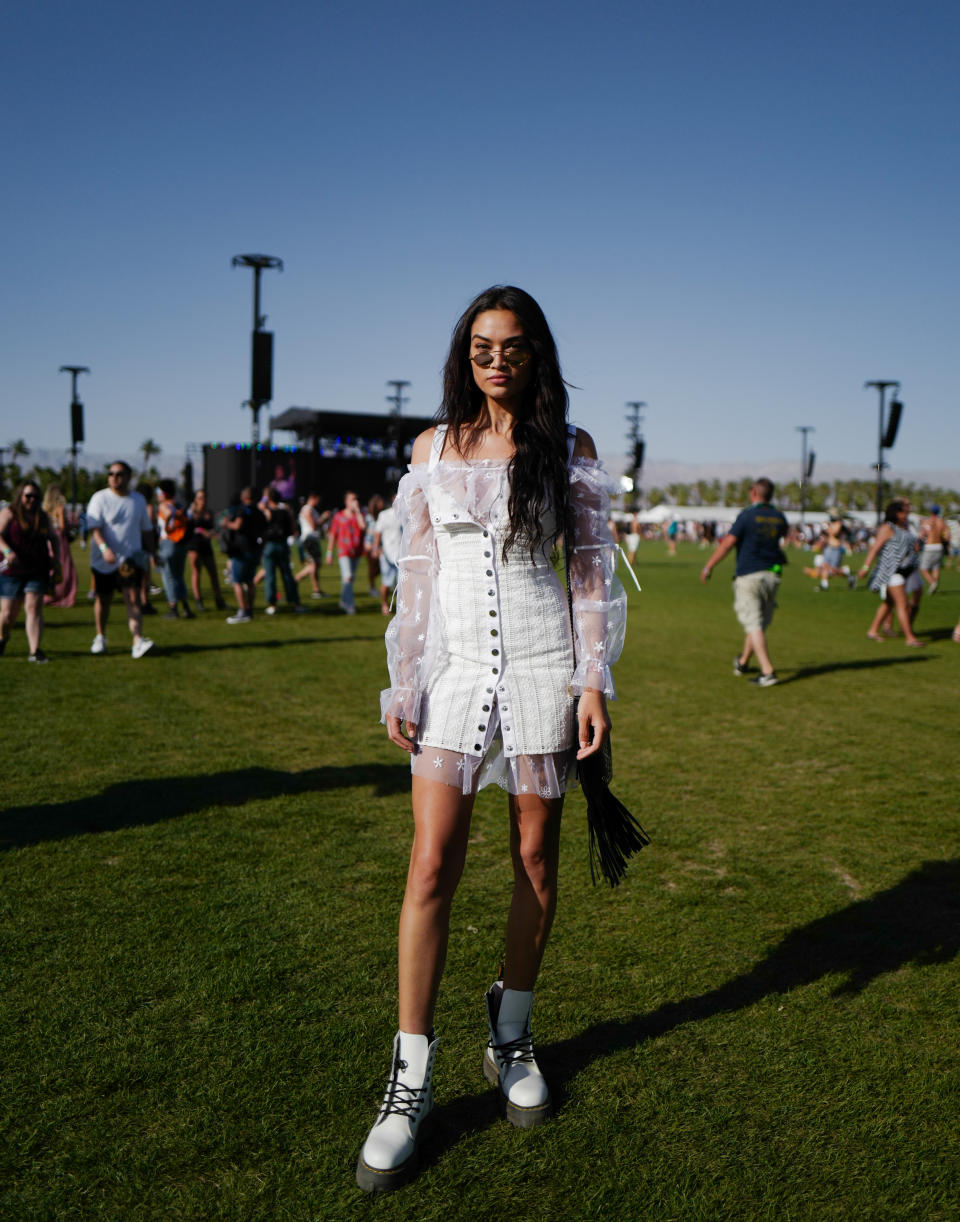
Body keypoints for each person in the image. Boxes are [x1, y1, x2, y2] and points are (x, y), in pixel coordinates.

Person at [356, 286, 624, 1193]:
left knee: (537, 859)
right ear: (464, 356)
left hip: (548, 663)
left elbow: (588, 572)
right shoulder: (430, 451)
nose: (495, 360)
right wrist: (404, 676)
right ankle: (410, 1079)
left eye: (511, 346)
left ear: (535, 353)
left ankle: (510, 1032)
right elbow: (417, 577)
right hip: (455, 668)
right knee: (431, 864)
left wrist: (593, 681)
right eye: (480, 347)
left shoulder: (570, 449)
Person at [700, 478, 788, 687]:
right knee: (758, 622)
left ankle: (768, 671)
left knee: (754, 623)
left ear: (754, 493)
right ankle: (743, 661)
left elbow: (728, 543)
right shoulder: (779, 516)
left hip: (750, 574)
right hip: (773, 575)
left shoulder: (748, 515)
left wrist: (709, 566)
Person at [86, 462, 155, 658]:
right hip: (103, 560)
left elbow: (147, 530)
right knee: (103, 599)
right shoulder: (100, 498)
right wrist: (105, 549)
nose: (114, 477)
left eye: (119, 474)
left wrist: (152, 552)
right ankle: (100, 636)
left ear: (128, 477)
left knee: (133, 599)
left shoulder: (138, 500)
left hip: (129, 559)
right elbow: (95, 528)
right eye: (111, 474)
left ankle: (137, 640)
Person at [0, 479, 57, 661]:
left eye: (35, 496)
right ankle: (2, 636)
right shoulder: (9, 513)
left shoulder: (42, 517)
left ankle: (35, 651)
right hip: (12, 571)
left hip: (37, 568)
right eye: (27, 496)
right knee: (8, 614)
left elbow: (54, 538)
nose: (31, 499)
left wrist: (56, 560)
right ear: (20, 496)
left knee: (33, 608)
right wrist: (7, 551)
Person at [858, 500, 925, 647]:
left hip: (905, 569)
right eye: (904, 511)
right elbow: (875, 548)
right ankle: (909, 638)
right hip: (891, 571)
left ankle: (873, 630)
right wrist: (865, 567)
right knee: (902, 603)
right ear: (896, 513)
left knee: (889, 603)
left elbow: (912, 546)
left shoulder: (905, 527)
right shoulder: (888, 528)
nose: (907, 514)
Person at [260, 485, 306, 615]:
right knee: (287, 575)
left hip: (269, 546)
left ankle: (272, 604)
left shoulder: (267, 512)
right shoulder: (285, 511)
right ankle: (295, 602)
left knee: (270, 576)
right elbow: (293, 528)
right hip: (282, 545)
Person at [222, 486, 264, 623]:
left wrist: (227, 523)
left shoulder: (242, 510)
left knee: (237, 581)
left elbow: (238, 525)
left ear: (244, 497)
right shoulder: (259, 511)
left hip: (241, 550)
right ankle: (249, 610)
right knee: (250, 581)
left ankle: (243, 611)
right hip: (255, 549)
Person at [156, 480, 195, 620]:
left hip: (169, 542)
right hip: (181, 543)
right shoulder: (178, 505)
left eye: (158, 492)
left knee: (168, 576)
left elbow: (167, 515)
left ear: (163, 493)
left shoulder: (164, 505)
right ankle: (185, 607)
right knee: (179, 576)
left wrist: (166, 528)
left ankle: (173, 608)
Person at [326, 491, 366, 614]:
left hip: (356, 551)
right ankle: (350, 606)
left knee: (349, 578)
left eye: (356, 499)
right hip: (344, 550)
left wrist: (358, 511)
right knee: (347, 577)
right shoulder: (339, 516)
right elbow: (333, 534)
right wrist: (329, 552)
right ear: (346, 502)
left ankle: (343, 601)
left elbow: (363, 527)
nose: (354, 501)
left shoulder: (359, 515)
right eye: (352, 499)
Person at [186, 489, 226, 611]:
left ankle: (219, 600)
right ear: (195, 499)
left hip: (206, 546)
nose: (202, 500)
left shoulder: (209, 513)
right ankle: (199, 601)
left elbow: (214, 528)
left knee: (213, 574)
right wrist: (199, 530)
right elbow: (187, 527)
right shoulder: (192, 513)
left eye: (204, 497)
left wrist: (210, 532)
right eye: (200, 497)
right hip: (194, 546)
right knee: (196, 572)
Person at [42, 483, 78, 608]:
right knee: (64, 566)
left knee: (50, 567)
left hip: (47, 539)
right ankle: (63, 594)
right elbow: (63, 527)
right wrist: (72, 526)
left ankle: (48, 593)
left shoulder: (45, 508)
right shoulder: (60, 507)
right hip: (59, 539)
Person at [294, 492, 331, 598]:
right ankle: (315, 590)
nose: (319, 502)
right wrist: (324, 518)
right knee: (314, 564)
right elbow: (313, 525)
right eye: (318, 499)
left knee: (316, 564)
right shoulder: (307, 509)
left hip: (313, 539)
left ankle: (298, 579)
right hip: (309, 539)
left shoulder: (311, 510)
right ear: (313, 498)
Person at [372, 491, 401, 615]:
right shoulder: (384, 515)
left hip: (402, 555)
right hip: (387, 553)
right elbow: (378, 533)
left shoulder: (405, 515)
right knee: (387, 582)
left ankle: (402, 607)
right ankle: (384, 603)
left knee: (402, 583)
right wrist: (375, 548)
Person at [919, 504, 949, 595]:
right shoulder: (942, 522)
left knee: (923, 568)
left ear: (930, 511)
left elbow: (922, 535)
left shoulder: (926, 521)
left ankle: (932, 582)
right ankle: (935, 584)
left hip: (929, 547)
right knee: (936, 568)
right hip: (939, 546)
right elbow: (947, 536)